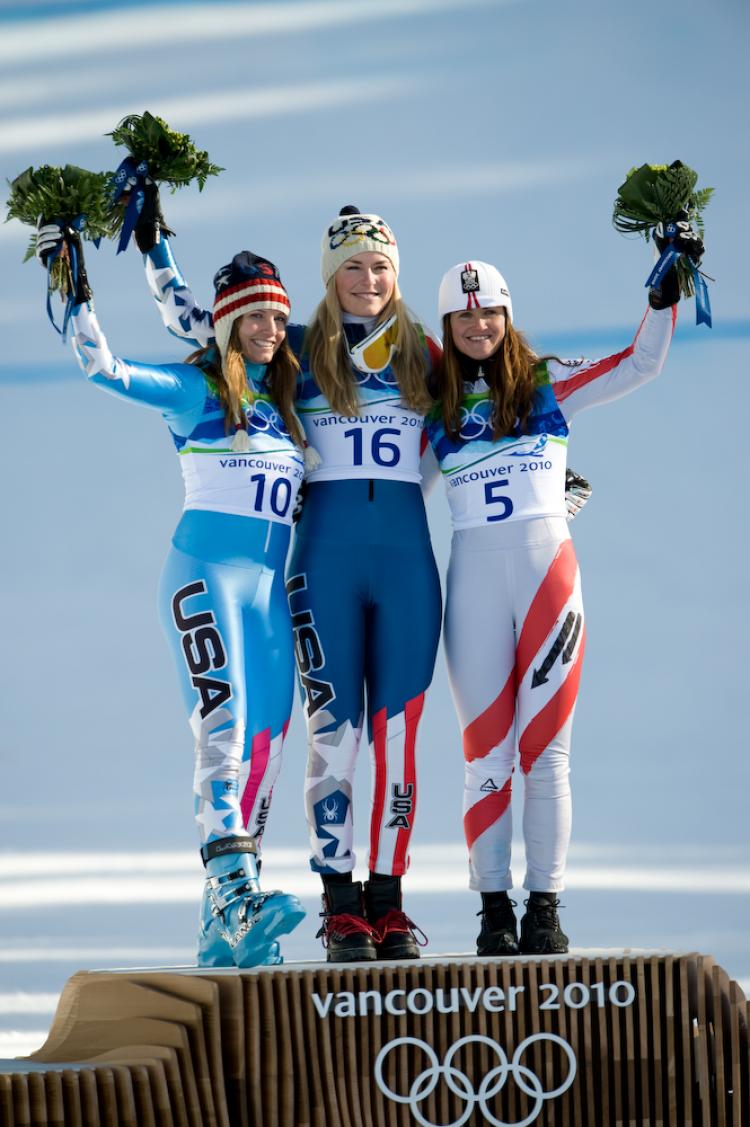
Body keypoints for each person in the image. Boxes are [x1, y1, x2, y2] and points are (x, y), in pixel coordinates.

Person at [132, 200, 443, 961]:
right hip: (323, 564)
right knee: (327, 736)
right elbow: (205, 321)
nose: (367, 279)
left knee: (399, 740)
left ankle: (389, 900)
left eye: (380, 267)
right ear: (330, 277)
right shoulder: (299, 348)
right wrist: (154, 243)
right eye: (352, 267)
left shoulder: (427, 355)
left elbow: (494, 391)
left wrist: (547, 467)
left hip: (404, 559)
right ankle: (339, 906)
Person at [425, 223, 704, 955]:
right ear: (447, 325)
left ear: (506, 316)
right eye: (463, 316)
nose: (479, 325)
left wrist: (663, 291)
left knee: (546, 753)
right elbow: (385, 481)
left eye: (489, 314)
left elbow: (640, 362)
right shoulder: (437, 409)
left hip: (550, 578)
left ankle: (544, 906)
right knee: (485, 752)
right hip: (476, 581)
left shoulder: (547, 380)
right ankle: (493, 909)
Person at [35, 221, 307, 968]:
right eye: (256, 316)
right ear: (228, 325)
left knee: (266, 746)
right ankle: (235, 892)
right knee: (223, 729)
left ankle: (225, 928)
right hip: (206, 578)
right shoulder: (196, 391)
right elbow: (106, 370)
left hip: (267, 596)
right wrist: (77, 291)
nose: (271, 329)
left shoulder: (287, 401)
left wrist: (157, 245)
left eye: (280, 317)